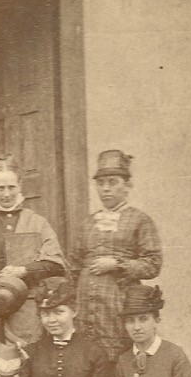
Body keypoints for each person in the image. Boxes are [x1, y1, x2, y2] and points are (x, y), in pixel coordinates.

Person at [0, 154, 67, 366]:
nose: (6, 194)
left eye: (11, 187)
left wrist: (25, 270)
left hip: (24, 303)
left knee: (25, 363)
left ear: (20, 185)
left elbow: (56, 264)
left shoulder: (37, 222)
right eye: (0, 188)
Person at [70, 150, 163, 361]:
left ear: (127, 185)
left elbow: (153, 263)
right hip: (86, 308)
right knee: (87, 360)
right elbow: (73, 266)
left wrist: (118, 264)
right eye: (101, 183)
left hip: (118, 305)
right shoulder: (87, 223)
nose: (105, 189)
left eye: (112, 182)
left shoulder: (140, 220)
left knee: (118, 362)